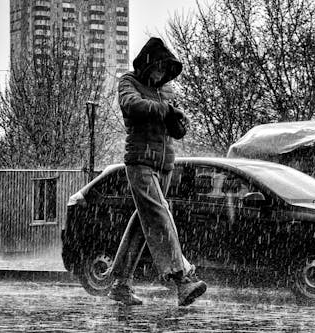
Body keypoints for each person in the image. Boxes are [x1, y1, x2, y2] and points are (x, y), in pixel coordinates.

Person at [107, 37, 207, 306]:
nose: (161, 75)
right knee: (160, 217)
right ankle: (181, 280)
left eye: (166, 71)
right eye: (159, 68)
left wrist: (179, 121)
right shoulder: (129, 82)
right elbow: (132, 106)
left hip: (164, 166)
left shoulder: (166, 92)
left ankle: (120, 284)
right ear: (149, 63)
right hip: (140, 162)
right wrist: (166, 110)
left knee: (143, 223)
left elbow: (172, 128)